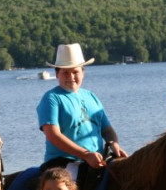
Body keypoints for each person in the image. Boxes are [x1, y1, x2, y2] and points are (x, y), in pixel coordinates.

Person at [37, 43, 128, 175]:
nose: (71, 77)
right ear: (57, 74)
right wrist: (85, 155)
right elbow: (53, 135)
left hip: (97, 159)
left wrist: (113, 143)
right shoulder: (51, 98)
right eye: (65, 73)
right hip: (63, 163)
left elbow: (107, 129)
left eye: (75, 72)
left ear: (83, 73)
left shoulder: (91, 96)